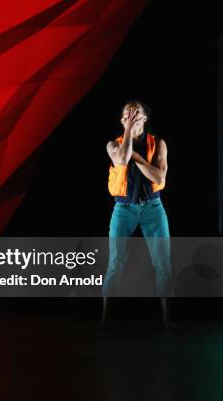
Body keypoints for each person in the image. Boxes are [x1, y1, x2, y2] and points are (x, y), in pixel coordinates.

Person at [102, 100, 174, 330]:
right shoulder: (114, 144)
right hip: (124, 208)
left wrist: (138, 158)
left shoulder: (158, 143)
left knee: (163, 264)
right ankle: (106, 318)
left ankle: (166, 320)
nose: (132, 116)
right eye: (127, 114)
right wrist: (127, 133)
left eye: (136, 113)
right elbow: (122, 159)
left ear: (145, 118)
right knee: (115, 263)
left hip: (153, 207)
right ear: (123, 120)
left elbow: (158, 178)